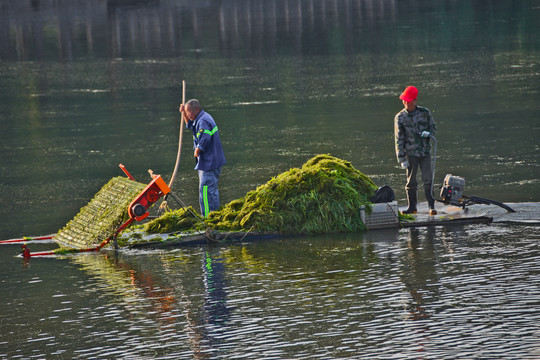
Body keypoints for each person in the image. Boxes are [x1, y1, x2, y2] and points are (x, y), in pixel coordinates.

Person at [394, 86, 437, 215]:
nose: (407, 103)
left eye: (409, 101)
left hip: (424, 152)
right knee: (411, 181)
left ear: (415, 100)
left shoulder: (425, 113)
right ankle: (412, 207)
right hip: (410, 154)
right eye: (405, 101)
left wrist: (428, 133)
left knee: (428, 179)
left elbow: (433, 127)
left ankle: (431, 206)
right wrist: (401, 158)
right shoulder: (400, 117)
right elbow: (398, 139)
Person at [180, 99, 226, 217]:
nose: (188, 114)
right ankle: (215, 215)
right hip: (211, 161)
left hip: (209, 162)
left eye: (188, 112)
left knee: (205, 191)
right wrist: (184, 114)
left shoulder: (203, 120)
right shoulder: (200, 118)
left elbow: (205, 137)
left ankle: (207, 218)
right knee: (211, 190)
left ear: (195, 110)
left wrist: (198, 149)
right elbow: (190, 125)